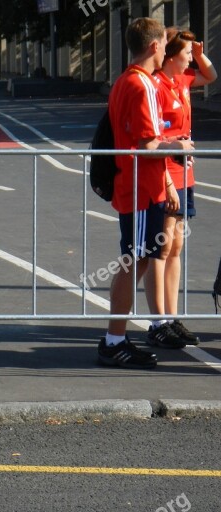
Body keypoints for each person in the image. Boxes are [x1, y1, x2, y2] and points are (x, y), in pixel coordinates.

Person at [96, 17, 195, 369]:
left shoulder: (127, 80)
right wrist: (177, 144)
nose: (167, 48)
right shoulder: (142, 86)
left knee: (136, 259)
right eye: (164, 44)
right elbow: (146, 144)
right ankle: (114, 340)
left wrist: (167, 182)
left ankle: (116, 338)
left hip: (142, 186)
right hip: (138, 188)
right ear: (154, 46)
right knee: (133, 261)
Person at [151, 28, 216, 347]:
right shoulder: (158, 85)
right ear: (173, 56)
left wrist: (200, 51)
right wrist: (168, 176)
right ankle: (159, 319)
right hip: (167, 175)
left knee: (176, 247)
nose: (192, 58)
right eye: (188, 53)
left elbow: (211, 75)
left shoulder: (184, 80)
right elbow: (151, 138)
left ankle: (173, 317)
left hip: (186, 174)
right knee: (161, 248)